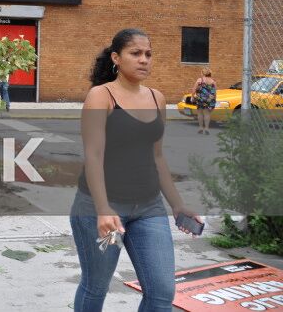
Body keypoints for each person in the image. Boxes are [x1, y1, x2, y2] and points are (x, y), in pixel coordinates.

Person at [71, 28, 202, 312]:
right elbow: (93, 156)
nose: (144, 60)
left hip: (148, 208)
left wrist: (178, 205)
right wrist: (103, 209)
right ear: (116, 58)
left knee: (161, 293)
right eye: (136, 53)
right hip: (102, 209)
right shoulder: (101, 96)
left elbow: (157, 157)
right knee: (96, 286)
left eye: (148, 54)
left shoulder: (157, 98)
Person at [192, 68, 216, 134]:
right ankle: (207, 128)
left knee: (200, 113)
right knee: (207, 114)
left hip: (200, 99)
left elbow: (194, 89)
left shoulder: (200, 80)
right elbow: (214, 92)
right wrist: (214, 100)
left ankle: (200, 127)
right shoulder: (213, 81)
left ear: (203, 73)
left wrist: (192, 96)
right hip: (209, 100)